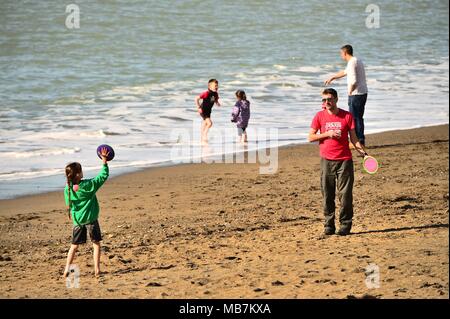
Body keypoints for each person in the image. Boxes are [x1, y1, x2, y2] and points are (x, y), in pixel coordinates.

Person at [308, 88, 368, 236]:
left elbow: (354, 139)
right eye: (324, 100)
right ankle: (329, 226)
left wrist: (363, 153)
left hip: (344, 161)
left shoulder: (347, 116)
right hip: (326, 161)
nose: (326, 102)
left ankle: (345, 226)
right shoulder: (319, 116)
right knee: (327, 194)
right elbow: (310, 137)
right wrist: (327, 134)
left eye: (329, 99)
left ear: (336, 99)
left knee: (345, 195)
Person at [63, 147, 110, 277]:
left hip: (78, 221)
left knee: (74, 246)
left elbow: (69, 204)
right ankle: (97, 269)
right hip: (91, 219)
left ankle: (67, 268)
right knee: (96, 244)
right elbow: (102, 176)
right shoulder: (88, 186)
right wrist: (104, 161)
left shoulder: (67, 189)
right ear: (78, 174)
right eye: (81, 170)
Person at [324, 44, 368, 146]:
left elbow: (354, 80)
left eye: (341, 53)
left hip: (356, 94)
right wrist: (333, 77)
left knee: (354, 118)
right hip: (362, 92)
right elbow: (345, 72)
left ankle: (358, 141)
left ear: (345, 53)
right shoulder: (355, 60)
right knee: (358, 118)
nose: (341, 56)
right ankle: (360, 140)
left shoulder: (352, 63)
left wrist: (350, 91)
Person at [195, 79, 221, 144]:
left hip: (208, 111)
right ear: (209, 87)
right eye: (215, 86)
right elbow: (196, 98)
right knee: (209, 123)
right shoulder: (206, 93)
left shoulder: (215, 94)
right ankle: (204, 135)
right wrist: (198, 107)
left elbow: (214, 99)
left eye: (217, 85)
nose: (216, 87)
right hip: (203, 110)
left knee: (205, 123)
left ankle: (202, 138)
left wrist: (217, 103)